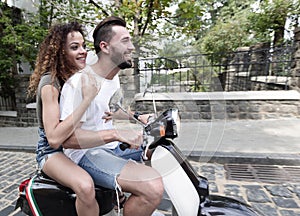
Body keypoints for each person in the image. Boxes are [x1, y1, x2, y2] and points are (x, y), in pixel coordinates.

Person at [60, 16, 164, 216]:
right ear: (105, 47)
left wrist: (140, 117)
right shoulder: (79, 83)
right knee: (152, 186)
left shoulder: (112, 80)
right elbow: (69, 140)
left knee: (160, 152)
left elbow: (111, 111)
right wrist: (115, 134)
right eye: (125, 41)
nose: (131, 47)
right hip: (86, 155)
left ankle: (127, 203)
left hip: (110, 148)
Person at [27, 22, 100, 216]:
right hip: (52, 151)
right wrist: (87, 99)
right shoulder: (50, 83)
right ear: (60, 53)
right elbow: (54, 138)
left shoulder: (76, 77)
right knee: (85, 186)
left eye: (84, 46)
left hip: (75, 144)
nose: (83, 51)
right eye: (74, 47)